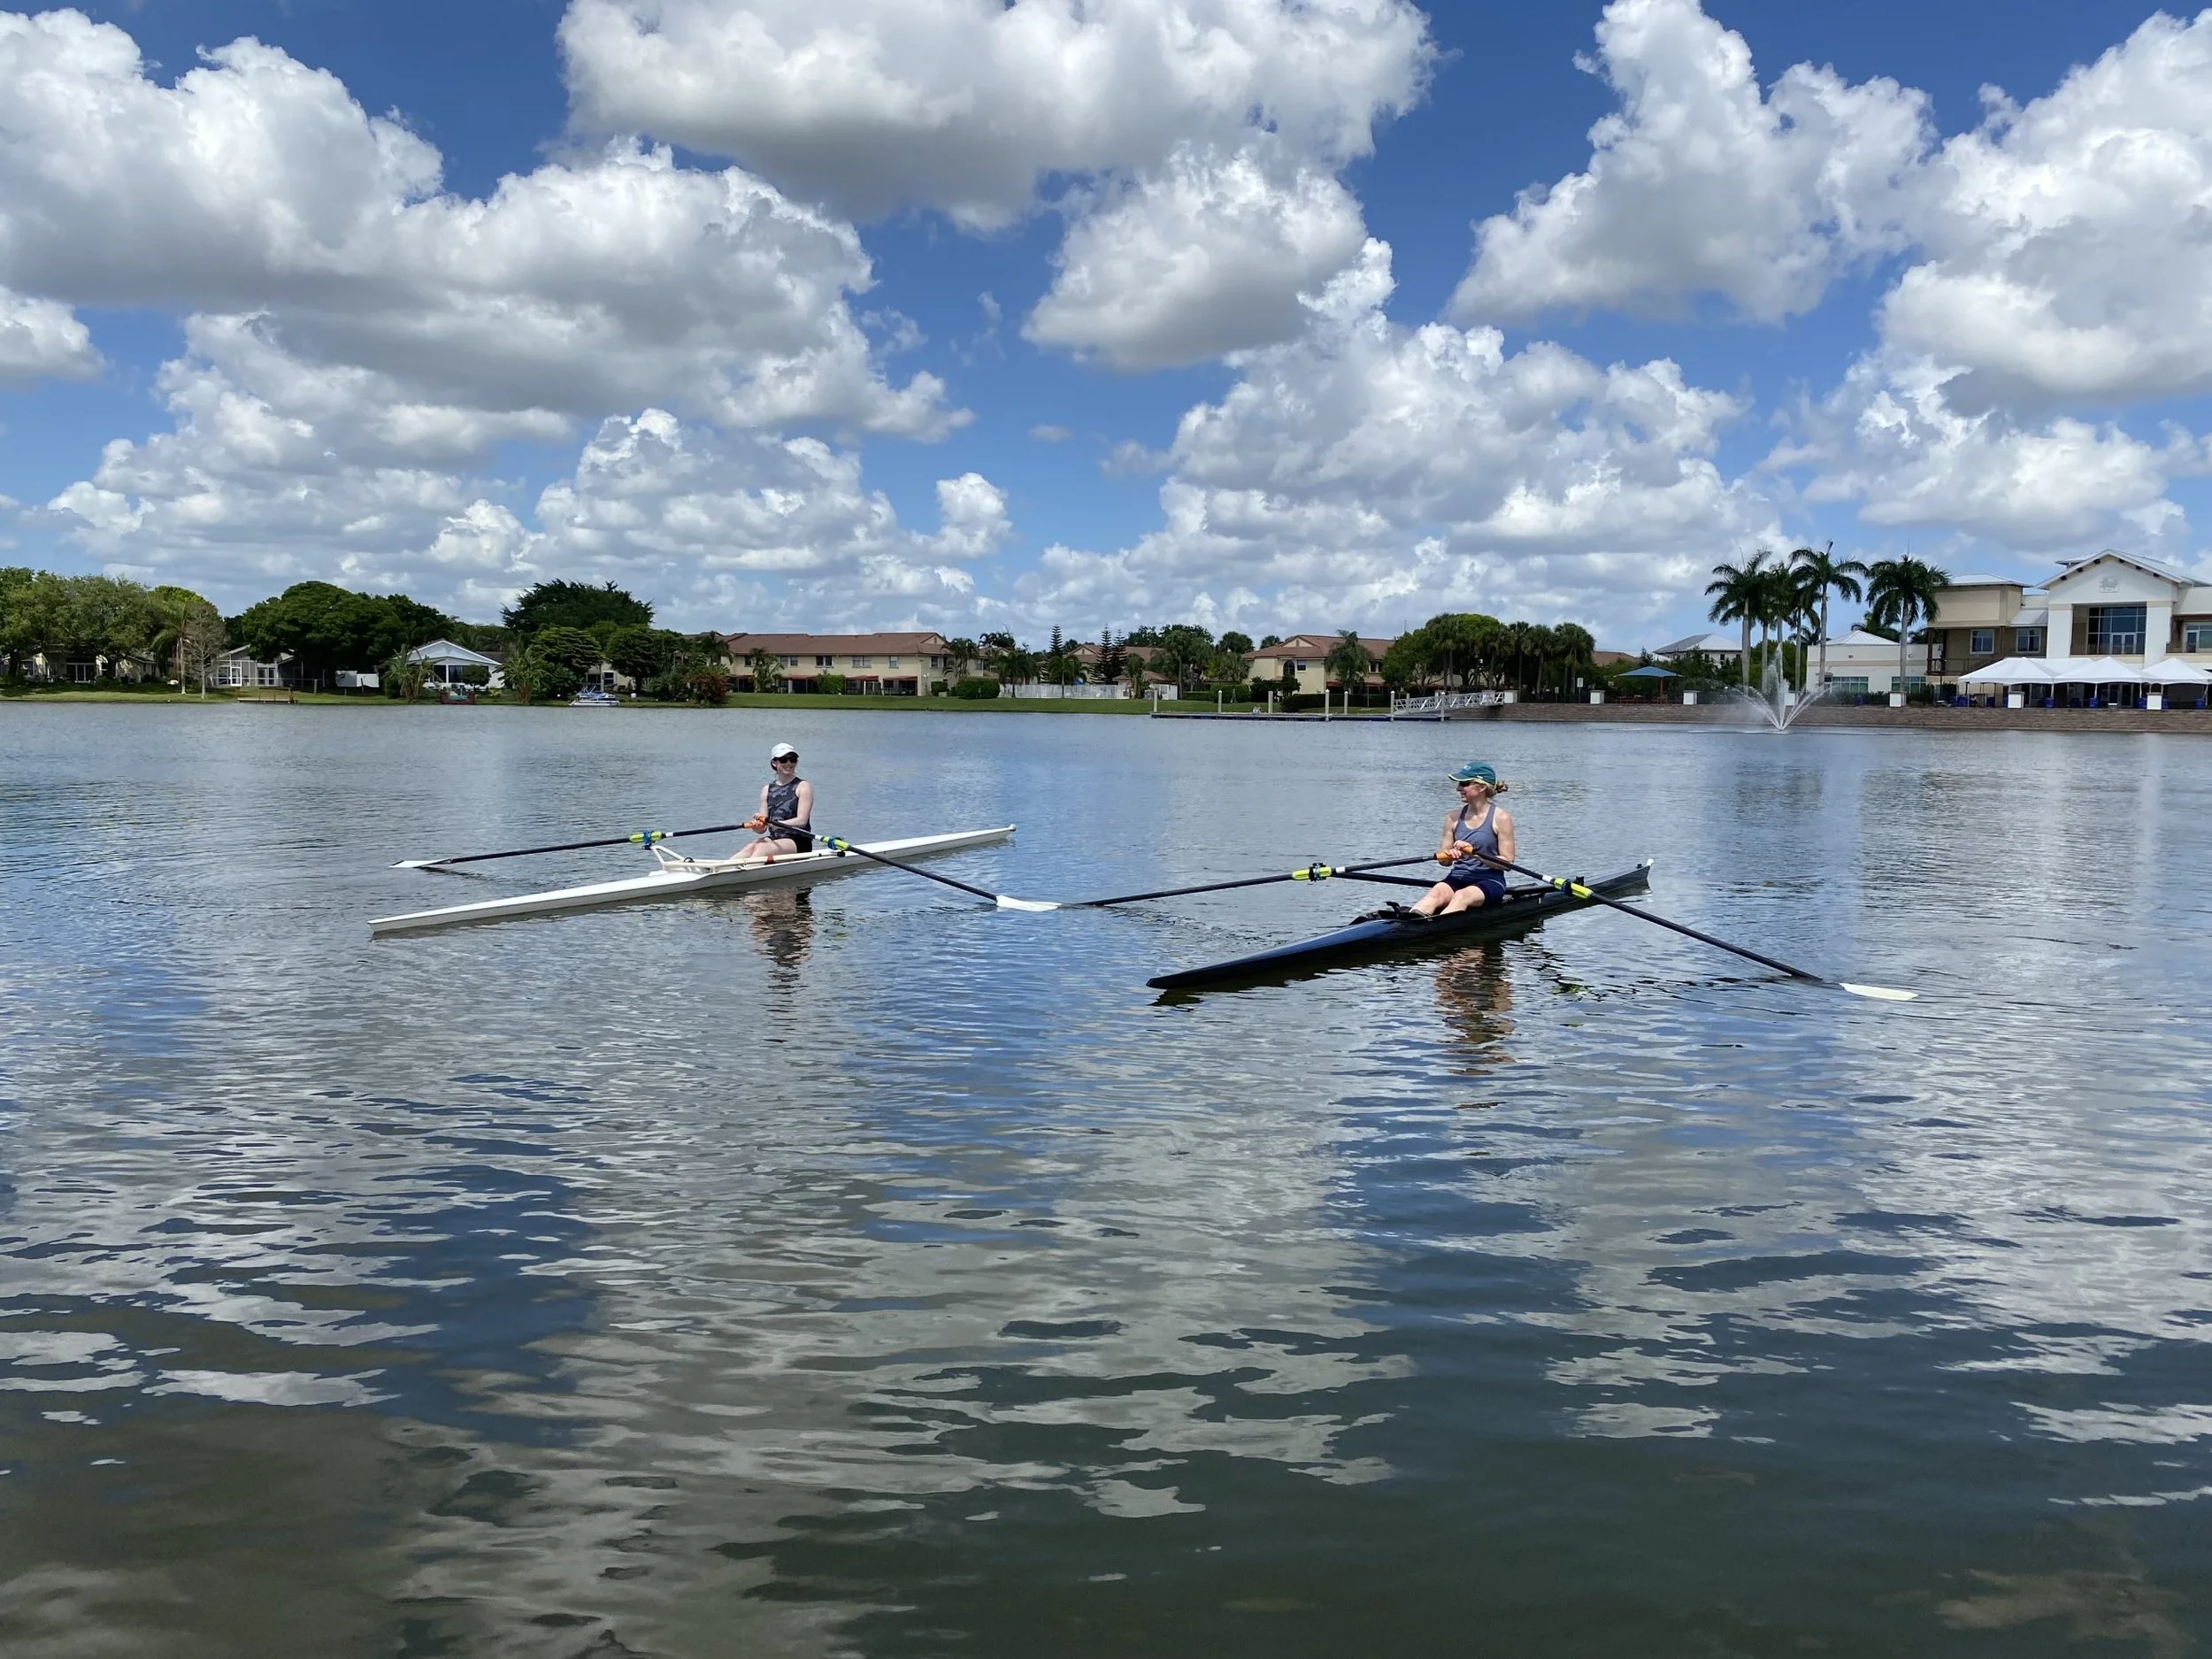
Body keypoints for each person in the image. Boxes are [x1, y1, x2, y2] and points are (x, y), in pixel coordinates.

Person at [1410, 762, 1515, 917]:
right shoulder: (1452, 817)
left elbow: (1507, 863)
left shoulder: (1501, 818)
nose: (1458, 789)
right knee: (1435, 893)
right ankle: (1409, 922)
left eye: (1464, 784)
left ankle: (1439, 926)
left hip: (1490, 881)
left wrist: (1475, 853)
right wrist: (1448, 855)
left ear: (1481, 787)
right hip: (1457, 877)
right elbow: (1444, 862)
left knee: (1461, 896)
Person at [733, 742, 814, 864]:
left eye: (792, 759)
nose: (789, 763)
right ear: (774, 763)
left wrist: (776, 824)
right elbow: (762, 829)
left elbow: (802, 821)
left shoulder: (803, 786)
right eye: (783, 759)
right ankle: (721, 869)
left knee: (761, 848)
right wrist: (757, 826)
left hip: (799, 841)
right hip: (775, 839)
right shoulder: (767, 790)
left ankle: (746, 871)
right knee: (750, 847)